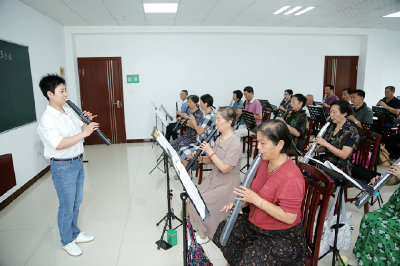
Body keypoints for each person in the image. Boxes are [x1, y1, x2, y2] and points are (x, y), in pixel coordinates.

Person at [213, 120, 307, 266]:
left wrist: (257, 200)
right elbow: (254, 191)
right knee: (223, 231)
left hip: (279, 236)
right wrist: (240, 204)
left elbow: (289, 217)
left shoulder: (292, 177)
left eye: (263, 143)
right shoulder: (263, 161)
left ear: (280, 145)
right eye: (258, 142)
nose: (258, 147)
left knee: (250, 261)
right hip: (256, 223)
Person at [37, 74, 96, 256]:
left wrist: (85, 121)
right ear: (49, 94)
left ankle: (74, 233)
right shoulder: (47, 120)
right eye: (61, 91)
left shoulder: (67, 111)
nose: (65, 94)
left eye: (65, 90)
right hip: (63, 167)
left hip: (77, 162)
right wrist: (85, 133)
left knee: (76, 203)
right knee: (66, 206)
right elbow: (59, 143)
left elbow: (78, 129)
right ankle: (66, 240)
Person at [186, 107, 242, 244]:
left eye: (218, 119)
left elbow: (224, 168)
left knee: (203, 201)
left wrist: (209, 151)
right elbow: (212, 160)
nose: (215, 122)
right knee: (194, 196)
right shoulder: (220, 138)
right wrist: (199, 158)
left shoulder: (235, 143)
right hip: (214, 178)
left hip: (227, 184)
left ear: (229, 122)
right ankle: (201, 228)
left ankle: (203, 235)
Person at [353, 162, 400, 266]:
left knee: (379, 228)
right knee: (368, 218)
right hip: (396, 205)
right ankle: (366, 259)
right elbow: (396, 179)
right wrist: (383, 180)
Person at [306, 100, 359, 187]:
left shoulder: (351, 131)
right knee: (304, 178)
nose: (331, 115)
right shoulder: (331, 127)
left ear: (344, 113)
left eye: (334, 112)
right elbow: (324, 148)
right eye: (330, 112)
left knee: (320, 187)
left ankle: (322, 200)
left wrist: (326, 144)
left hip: (340, 168)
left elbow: (344, 155)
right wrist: (315, 149)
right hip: (326, 163)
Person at [179, 94, 217, 168]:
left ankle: (187, 174)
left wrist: (193, 121)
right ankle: (187, 172)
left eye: (201, 103)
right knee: (182, 149)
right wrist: (188, 124)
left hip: (206, 146)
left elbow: (199, 132)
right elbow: (199, 127)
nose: (200, 105)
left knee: (184, 152)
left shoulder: (210, 117)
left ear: (206, 104)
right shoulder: (205, 114)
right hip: (199, 142)